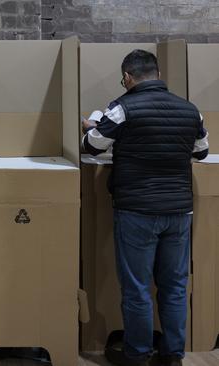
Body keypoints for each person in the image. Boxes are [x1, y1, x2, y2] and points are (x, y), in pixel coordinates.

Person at [82, 50, 209, 366]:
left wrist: (90, 125)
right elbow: (202, 152)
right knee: (175, 287)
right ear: (157, 73)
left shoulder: (122, 108)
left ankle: (137, 355)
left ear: (126, 77)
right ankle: (173, 355)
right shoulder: (190, 110)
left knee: (137, 288)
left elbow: (92, 146)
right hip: (179, 211)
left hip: (137, 210)